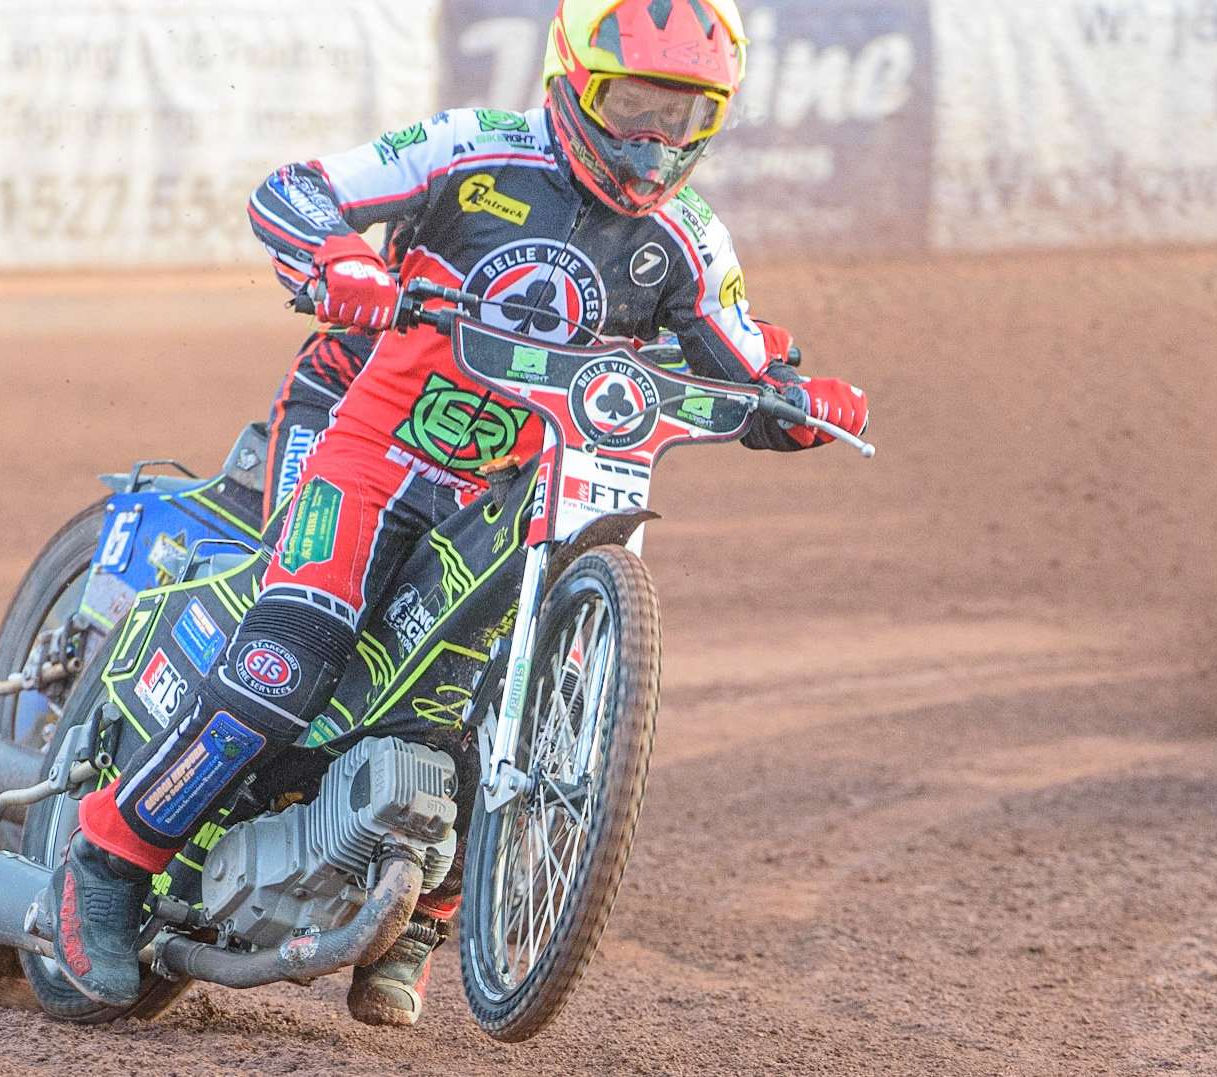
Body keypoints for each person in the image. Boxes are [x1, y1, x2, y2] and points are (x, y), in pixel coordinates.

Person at [52, 0, 870, 1026]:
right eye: (631, 105)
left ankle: (429, 918)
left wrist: (800, 406)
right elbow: (296, 191)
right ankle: (111, 860)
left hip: (521, 491)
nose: (651, 141)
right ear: (573, 81)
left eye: (682, 114)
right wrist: (339, 260)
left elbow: (747, 369)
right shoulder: (471, 149)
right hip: (375, 456)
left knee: (488, 704)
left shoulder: (690, 240)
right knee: (287, 660)